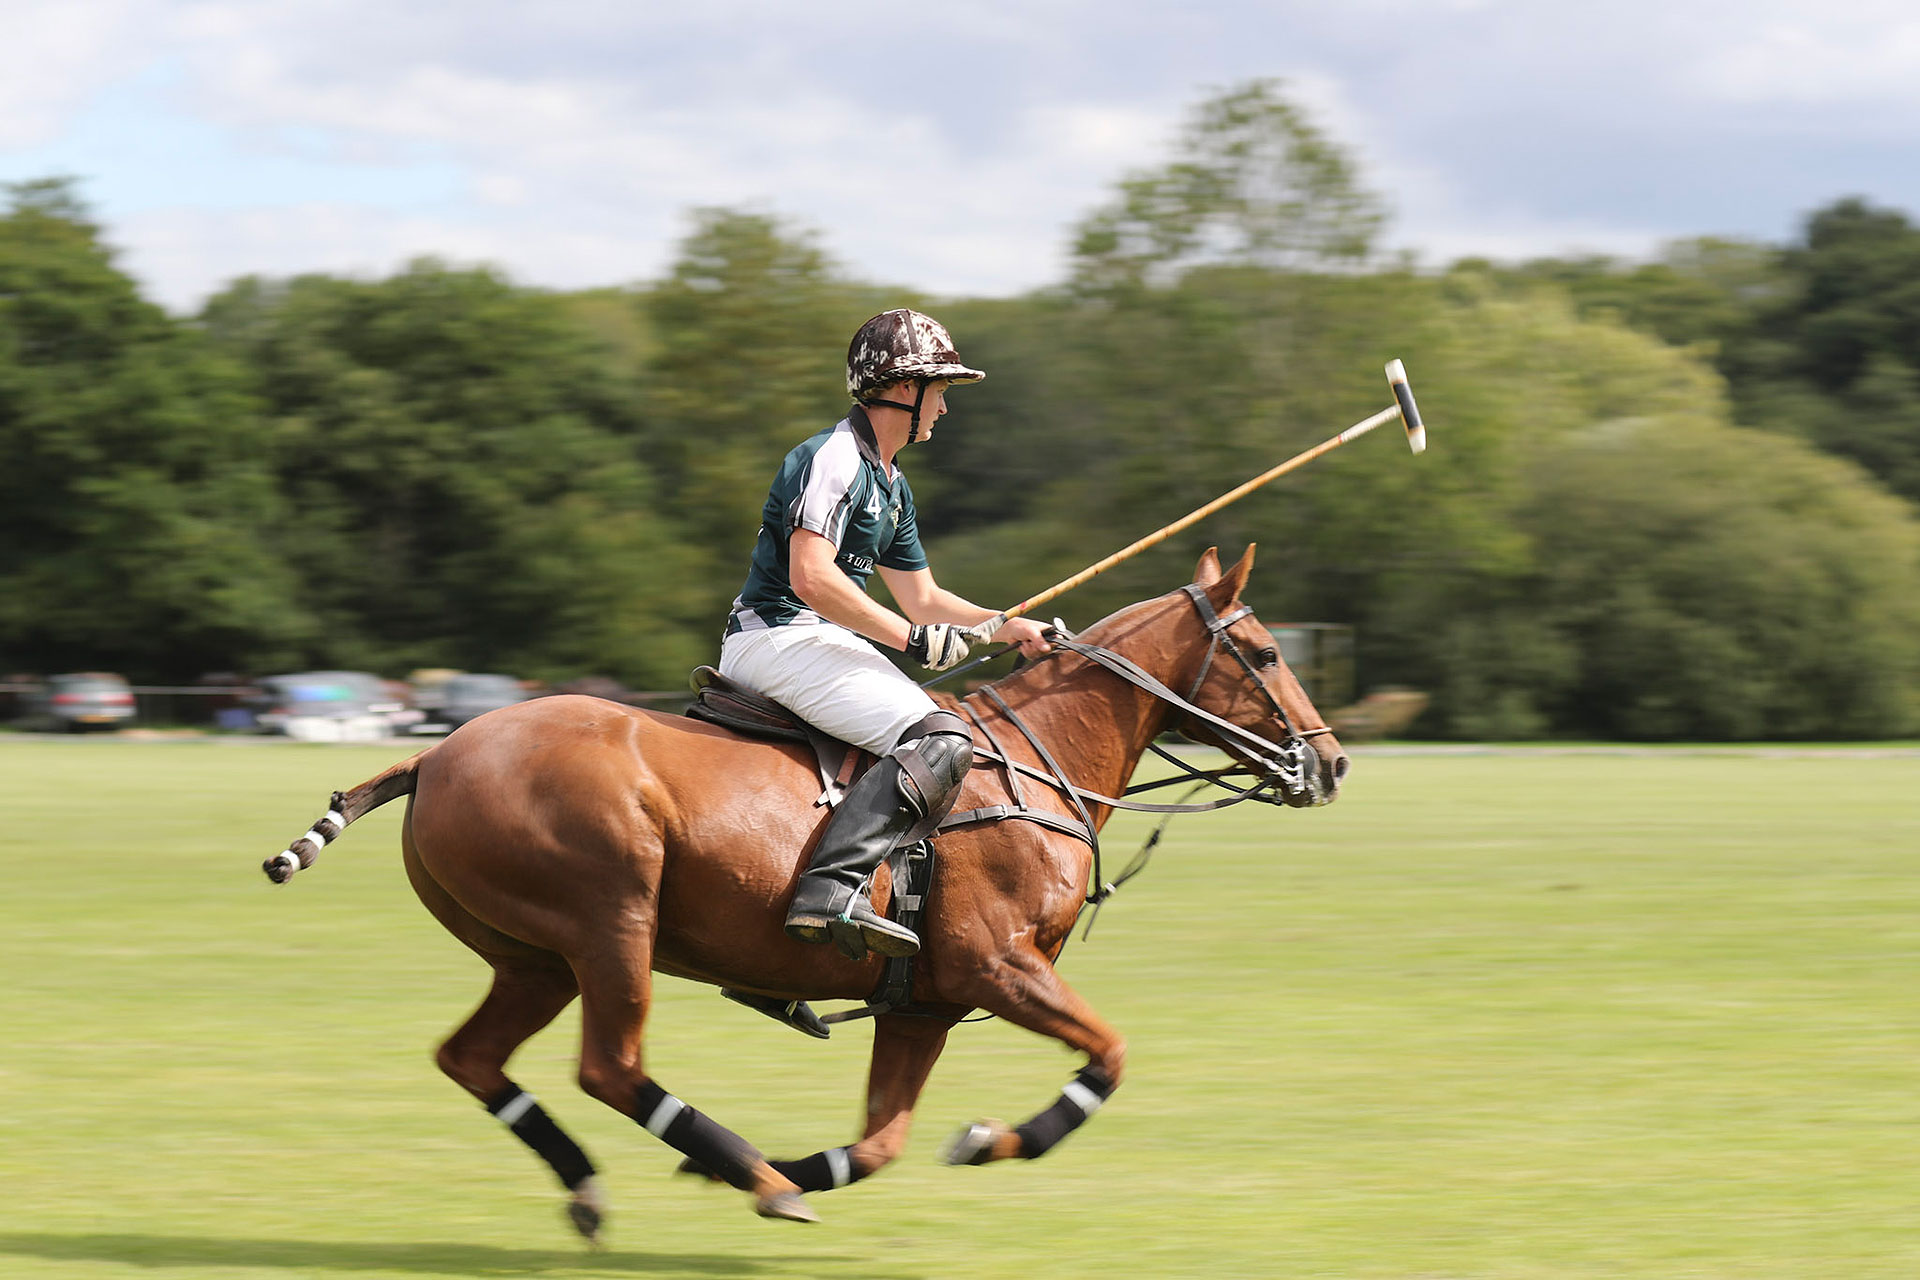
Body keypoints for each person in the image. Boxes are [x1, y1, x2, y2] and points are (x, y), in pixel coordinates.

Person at [719, 308, 1052, 961]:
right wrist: (910, 639)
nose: (945, 410)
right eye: (942, 392)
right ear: (906, 388)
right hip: (777, 633)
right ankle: (829, 892)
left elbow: (923, 597)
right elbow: (812, 579)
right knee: (942, 740)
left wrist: (1007, 628)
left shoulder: (892, 485)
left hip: (812, 640)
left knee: (922, 737)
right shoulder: (834, 458)